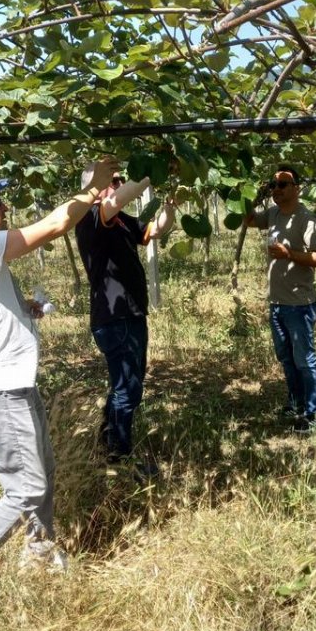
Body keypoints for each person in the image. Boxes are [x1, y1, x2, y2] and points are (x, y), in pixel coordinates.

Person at [0, 157, 116, 607]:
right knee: (25, 488)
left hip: (11, 385)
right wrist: (93, 188)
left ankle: (40, 555)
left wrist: (15, 307)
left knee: (42, 476)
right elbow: (52, 227)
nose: (4, 207)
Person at [74, 169, 175, 469]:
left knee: (124, 384)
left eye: (119, 180)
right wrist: (154, 167)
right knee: (128, 388)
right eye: (113, 180)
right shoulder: (91, 217)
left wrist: (170, 204)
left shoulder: (120, 220)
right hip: (116, 318)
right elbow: (117, 199)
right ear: (95, 187)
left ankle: (108, 445)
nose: (118, 184)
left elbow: (157, 230)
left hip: (130, 315)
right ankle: (119, 457)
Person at [246, 168, 316, 434]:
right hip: (278, 303)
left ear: (297, 188)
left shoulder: (307, 220)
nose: (277, 189)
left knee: (304, 359)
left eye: (283, 184)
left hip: (299, 304)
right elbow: (247, 220)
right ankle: (296, 404)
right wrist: (249, 195)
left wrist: (288, 254)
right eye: (274, 185)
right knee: (287, 359)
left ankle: (313, 412)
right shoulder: (273, 214)